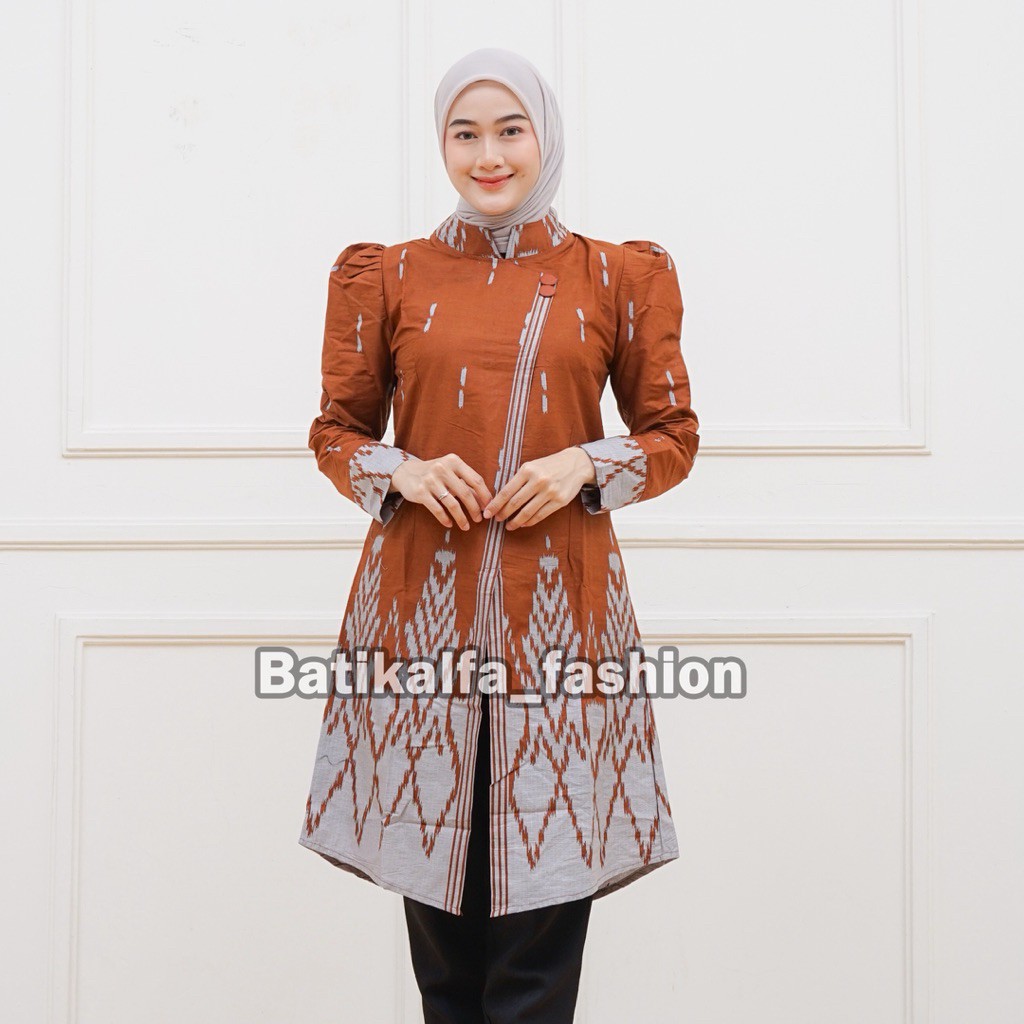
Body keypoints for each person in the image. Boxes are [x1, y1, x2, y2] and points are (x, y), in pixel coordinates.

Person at [298, 46, 700, 1024]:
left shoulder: (618, 275)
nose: (488, 155)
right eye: (464, 133)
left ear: (544, 136)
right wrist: (401, 469)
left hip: (559, 628)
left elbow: (672, 435)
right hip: (419, 629)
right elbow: (336, 432)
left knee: (536, 959)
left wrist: (583, 465)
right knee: (444, 958)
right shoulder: (386, 275)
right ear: (440, 143)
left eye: (510, 130)